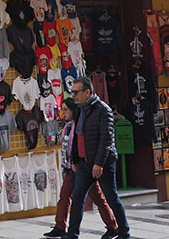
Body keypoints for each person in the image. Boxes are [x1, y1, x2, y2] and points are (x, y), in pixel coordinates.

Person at [64, 76, 130, 239]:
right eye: (72, 92)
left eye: (76, 92)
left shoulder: (103, 110)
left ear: (87, 92)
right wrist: (75, 159)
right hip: (84, 164)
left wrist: (99, 163)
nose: (73, 96)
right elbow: (77, 137)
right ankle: (72, 234)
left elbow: (106, 139)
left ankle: (124, 232)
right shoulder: (80, 109)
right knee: (78, 198)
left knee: (111, 198)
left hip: (103, 163)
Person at [44, 97, 119, 239]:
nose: (63, 113)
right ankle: (60, 226)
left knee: (98, 198)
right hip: (70, 168)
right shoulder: (67, 126)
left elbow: (82, 146)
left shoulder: (80, 125)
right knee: (64, 196)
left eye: (65, 110)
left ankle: (113, 226)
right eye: (62, 110)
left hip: (83, 168)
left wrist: (81, 162)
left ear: (73, 110)